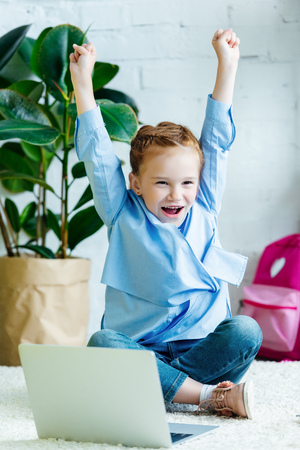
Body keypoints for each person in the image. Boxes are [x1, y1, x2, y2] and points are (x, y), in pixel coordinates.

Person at [70, 28, 262, 419]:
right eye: (162, 183)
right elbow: (97, 153)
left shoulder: (204, 205)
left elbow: (217, 141)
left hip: (203, 347)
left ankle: (165, 388)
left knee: (246, 330)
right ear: (136, 184)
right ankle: (206, 397)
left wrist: (227, 64)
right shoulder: (122, 214)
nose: (177, 195)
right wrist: (82, 83)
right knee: (103, 342)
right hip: (143, 350)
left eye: (186, 183)